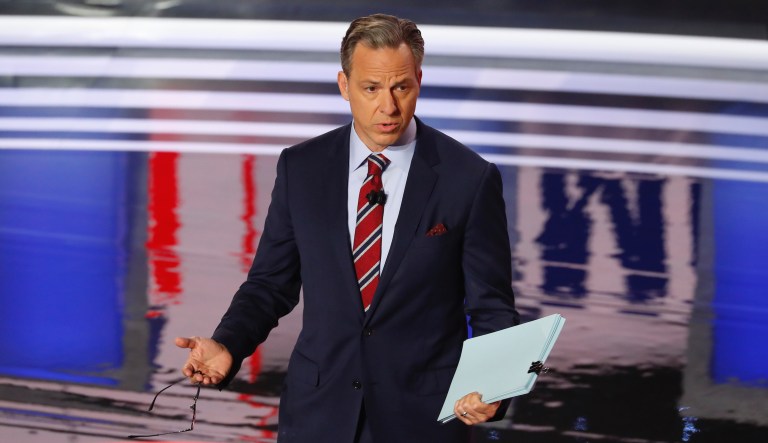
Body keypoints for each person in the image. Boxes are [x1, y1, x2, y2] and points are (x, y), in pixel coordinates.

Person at [175, 13, 519, 443]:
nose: (388, 107)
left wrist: (495, 388)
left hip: (421, 421)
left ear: (419, 80)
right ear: (344, 85)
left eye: (402, 87)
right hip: (317, 417)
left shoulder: (468, 178)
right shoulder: (302, 168)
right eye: (371, 88)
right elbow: (270, 284)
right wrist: (229, 343)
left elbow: (492, 308)